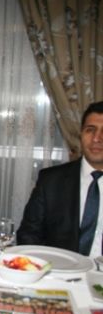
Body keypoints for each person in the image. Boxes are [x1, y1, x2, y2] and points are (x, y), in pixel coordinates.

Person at [17, 101, 103, 257]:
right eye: (90, 130)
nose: (97, 138)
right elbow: (28, 235)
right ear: (81, 134)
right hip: (60, 269)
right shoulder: (51, 181)